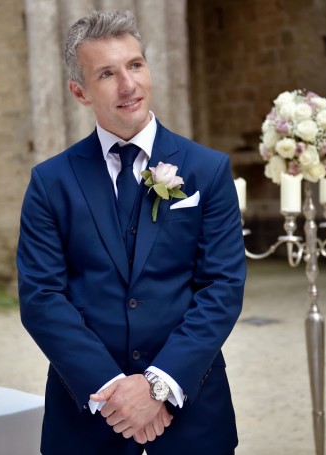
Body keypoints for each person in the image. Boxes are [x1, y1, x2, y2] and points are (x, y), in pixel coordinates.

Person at [16, 10, 246, 455]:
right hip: (86, 415)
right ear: (79, 91)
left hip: (190, 409)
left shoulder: (208, 169)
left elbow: (223, 286)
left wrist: (158, 386)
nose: (128, 85)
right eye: (107, 73)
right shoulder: (51, 182)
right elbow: (41, 296)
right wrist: (112, 391)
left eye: (135, 65)